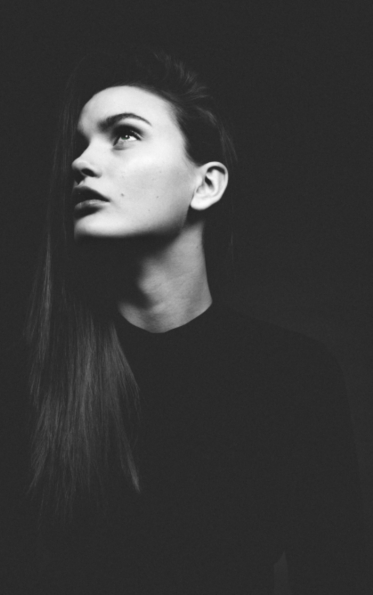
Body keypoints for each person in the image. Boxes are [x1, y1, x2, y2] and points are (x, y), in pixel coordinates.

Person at [25, 44, 367, 594]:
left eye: (124, 134)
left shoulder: (295, 377)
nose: (82, 162)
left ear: (205, 184)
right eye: (79, 144)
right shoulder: (32, 379)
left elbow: (335, 575)